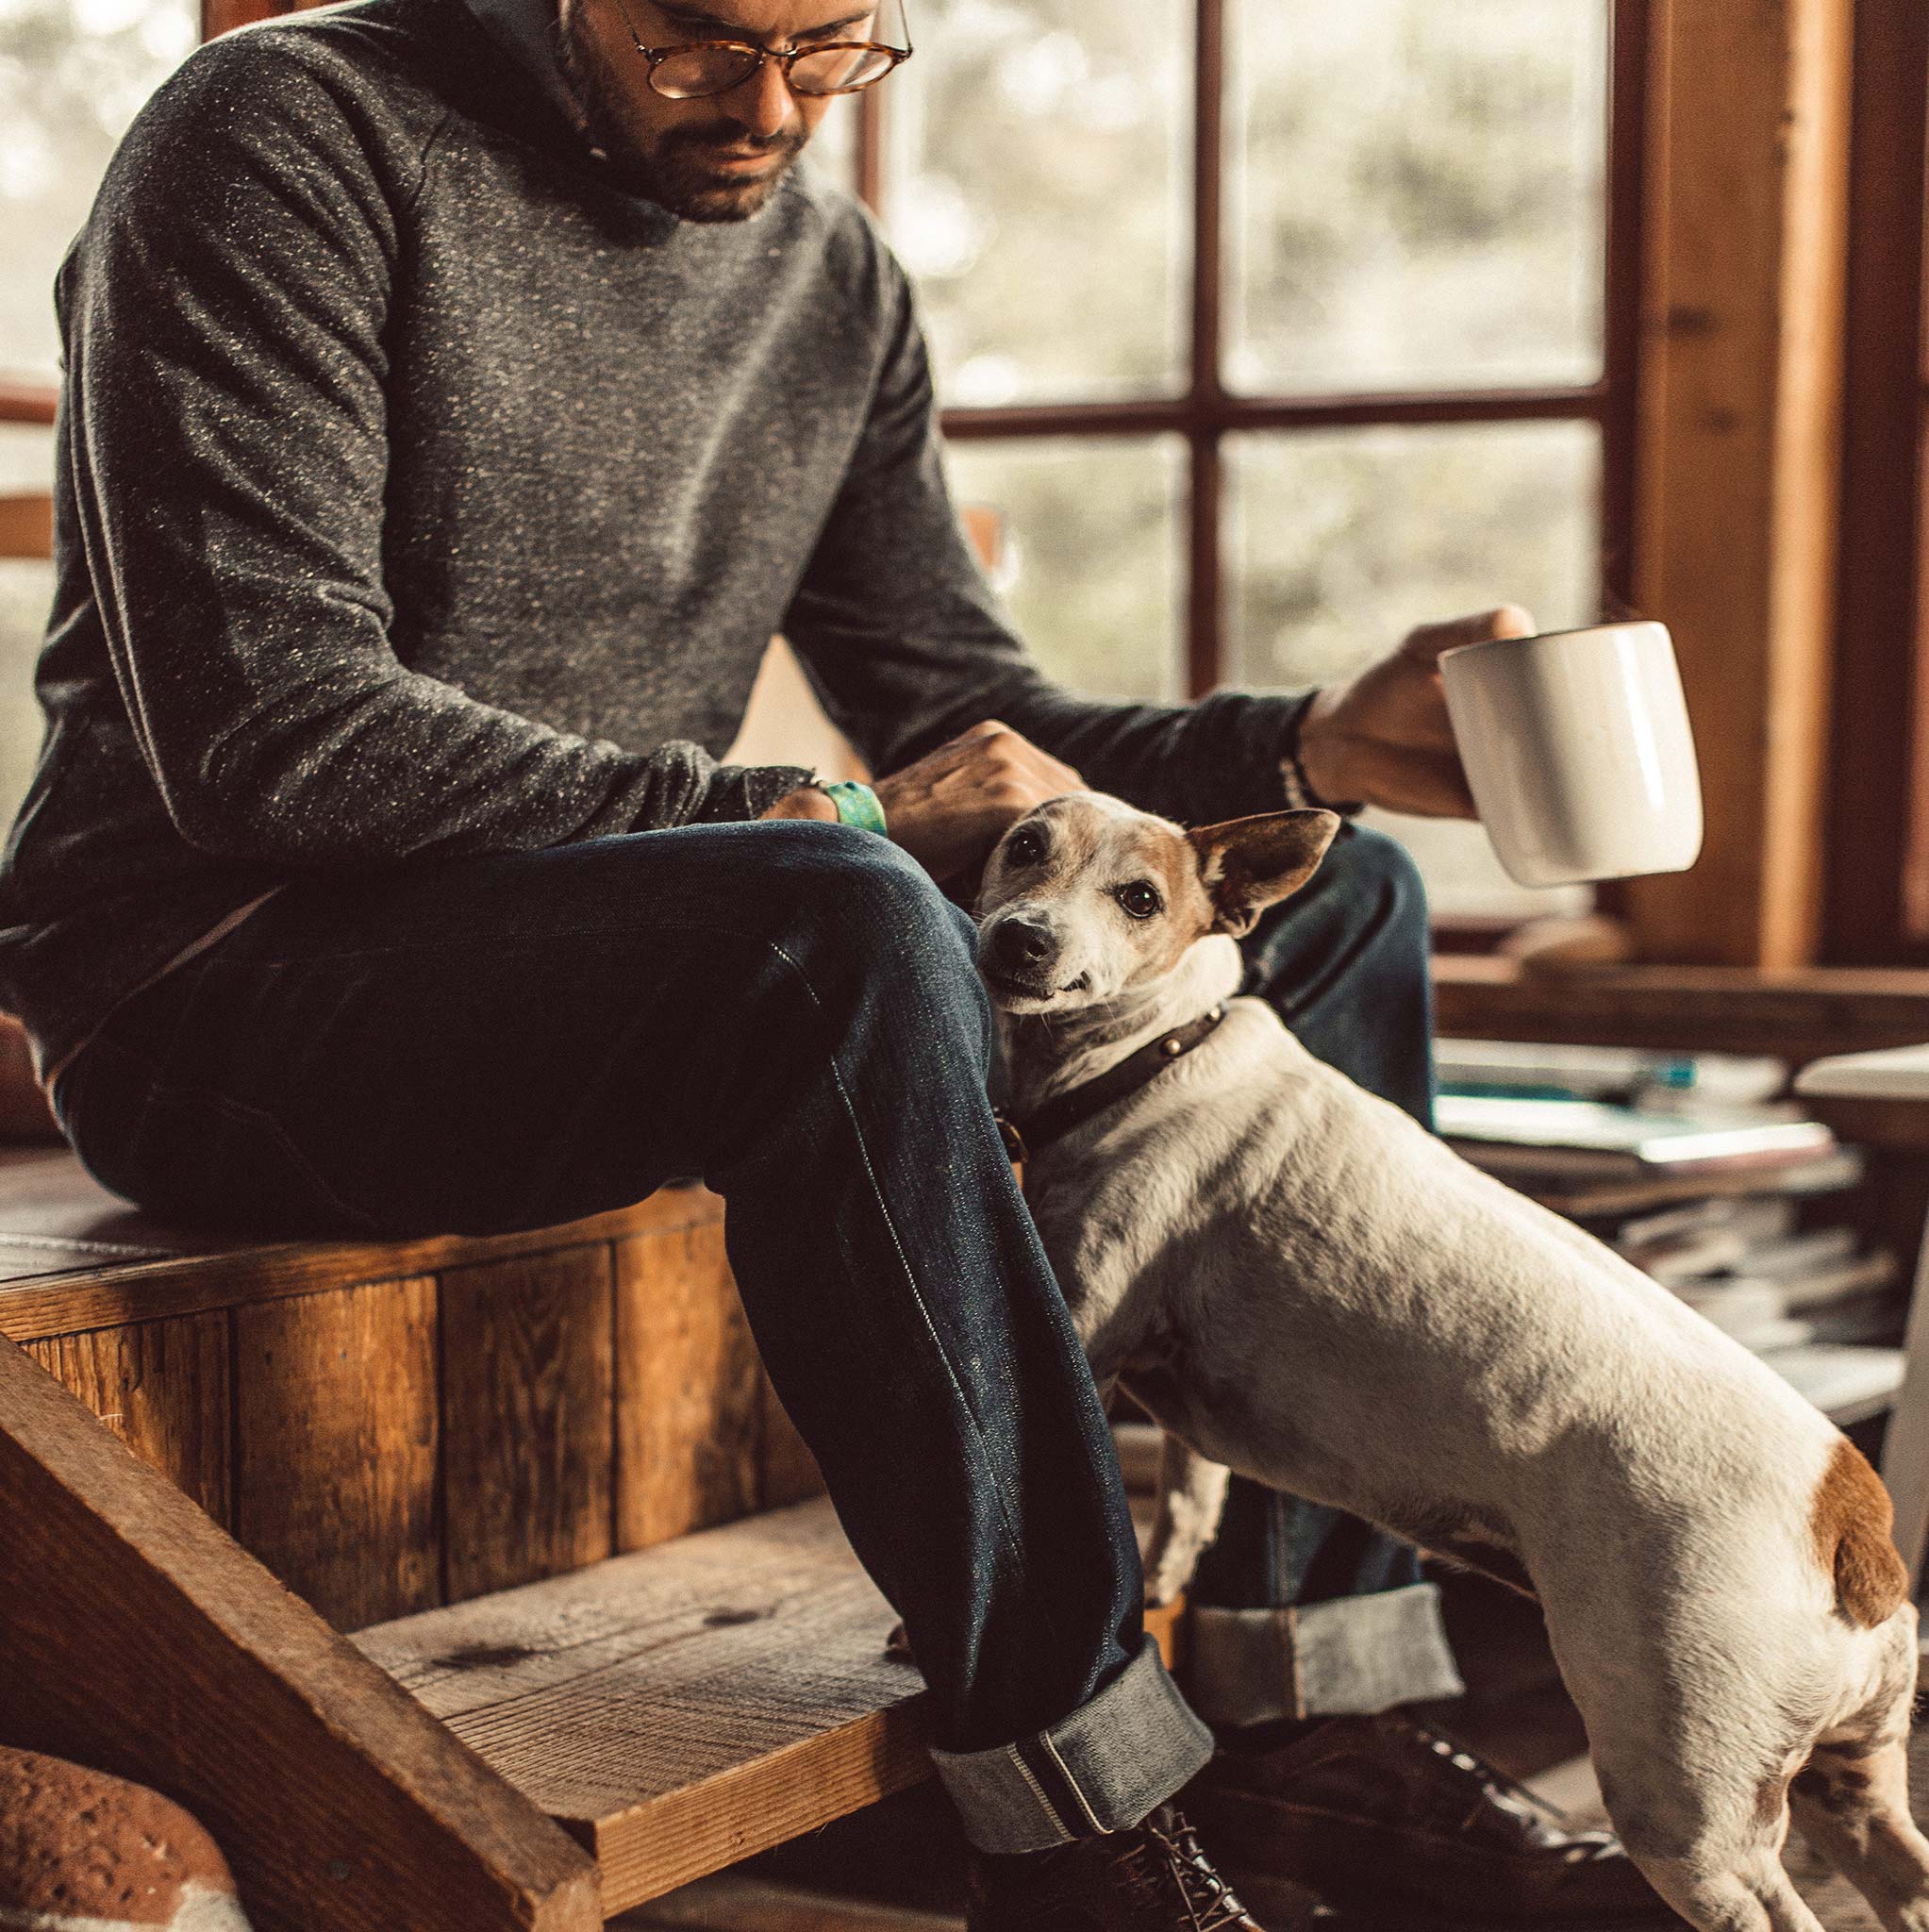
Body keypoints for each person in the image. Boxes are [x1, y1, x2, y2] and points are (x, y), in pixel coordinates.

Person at [0, 0, 1668, 1924]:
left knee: (1340, 896)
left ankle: (1300, 1721)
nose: (775, 103)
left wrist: (1296, 754)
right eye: (704, 43)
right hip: (218, 973)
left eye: (835, 41)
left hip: (596, 949)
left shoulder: (832, 284)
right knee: (844, 915)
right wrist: (828, 812)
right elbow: (277, 735)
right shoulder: (283, 138)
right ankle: (1077, 1818)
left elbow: (965, 710)